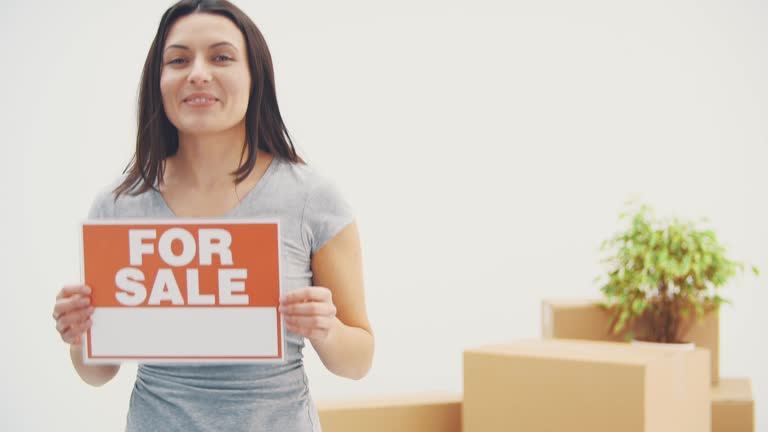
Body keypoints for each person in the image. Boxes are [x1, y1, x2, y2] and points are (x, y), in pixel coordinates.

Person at [50, 1, 374, 430]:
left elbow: (359, 360)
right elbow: (97, 372)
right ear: (158, 81)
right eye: (178, 60)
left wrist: (326, 330)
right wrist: (81, 333)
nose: (197, 73)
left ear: (255, 76)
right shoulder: (118, 205)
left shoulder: (312, 199)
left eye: (221, 56)